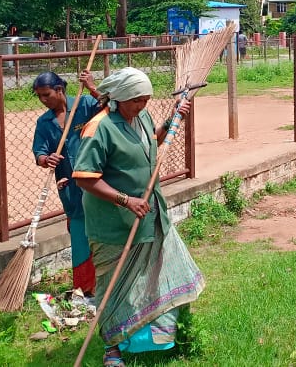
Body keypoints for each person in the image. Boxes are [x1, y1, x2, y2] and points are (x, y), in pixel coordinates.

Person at [72, 67, 203, 367]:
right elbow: (85, 177)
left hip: (149, 214)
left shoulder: (140, 117)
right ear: (118, 98)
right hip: (113, 225)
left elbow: (152, 140)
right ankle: (112, 348)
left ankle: (160, 335)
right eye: (136, 100)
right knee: (114, 286)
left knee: (156, 275)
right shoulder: (99, 127)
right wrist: (125, 200)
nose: (142, 105)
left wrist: (173, 119)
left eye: (145, 99)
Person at [31, 71, 102, 295]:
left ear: (59, 90)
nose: (43, 100)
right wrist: (46, 159)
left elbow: (113, 110)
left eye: (46, 94)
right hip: (70, 189)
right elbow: (39, 152)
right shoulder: (44, 123)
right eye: (39, 96)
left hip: (98, 181)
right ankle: (85, 288)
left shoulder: (86, 104)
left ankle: (109, 282)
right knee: (80, 235)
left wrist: (92, 87)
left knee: (103, 231)